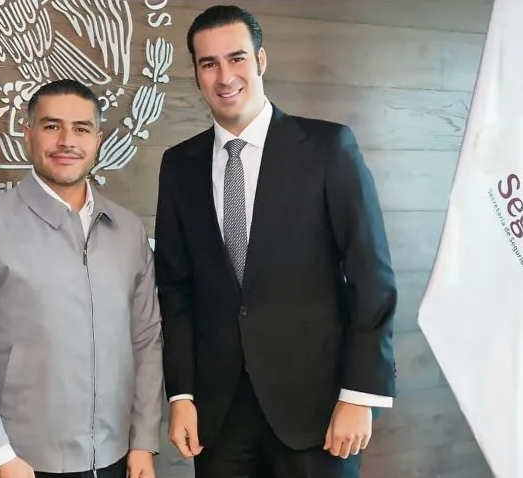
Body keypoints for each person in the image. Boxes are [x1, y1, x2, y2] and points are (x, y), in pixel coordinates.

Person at [153, 5, 398, 478]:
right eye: (209, 63)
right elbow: (176, 290)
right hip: (220, 415)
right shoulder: (179, 165)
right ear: (196, 74)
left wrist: (360, 395)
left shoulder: (328, 148)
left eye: (237, 58)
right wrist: (181, 394)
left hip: (318, 411)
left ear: (261, 60)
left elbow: (371, 277)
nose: (225, 76)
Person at [0, 79, 163, 478]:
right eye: (52, 126)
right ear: (28, 135)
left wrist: (143, 441)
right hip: (22, 464)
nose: (67, 141)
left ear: (98, 140)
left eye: (81, 129)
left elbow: (146, 339)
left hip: (118, 458)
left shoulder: (127, 230)